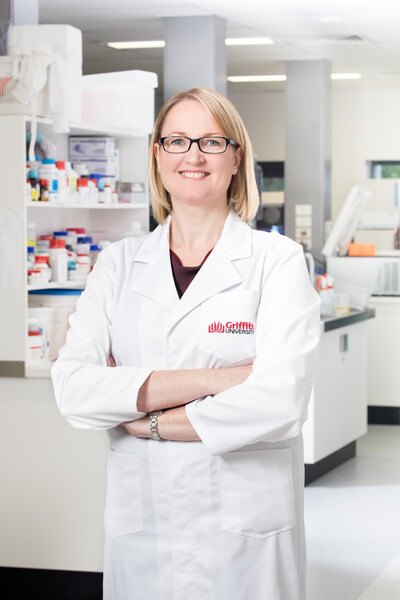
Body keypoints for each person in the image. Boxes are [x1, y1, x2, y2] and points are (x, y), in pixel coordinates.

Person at [51, 86, 320, 600]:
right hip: (145, 519)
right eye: (176, 140)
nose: (192, 156)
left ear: (236, 158)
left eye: (212, 142)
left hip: (244, 530)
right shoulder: (119, 264)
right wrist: (220, 381)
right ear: (156, 155)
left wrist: (141, 417)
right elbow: (74, 390)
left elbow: (280, 401)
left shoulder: (276, 261)